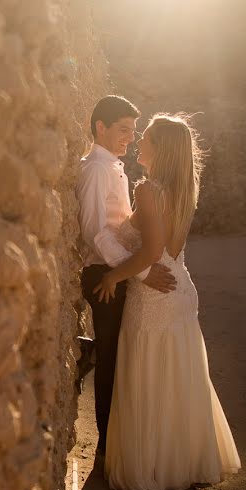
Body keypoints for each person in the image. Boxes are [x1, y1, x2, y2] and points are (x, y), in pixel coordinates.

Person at [93, 113, 241, 490]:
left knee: (148, 372)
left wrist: (113, 276)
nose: (139, 141)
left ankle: (152, 465)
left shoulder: (149, 190)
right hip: (179, 290)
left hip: (154, 294)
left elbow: (151, 252)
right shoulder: (180, 190)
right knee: (175, 374)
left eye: (147, 138)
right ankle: (179, 461)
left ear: (160, 149)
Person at [77, 95, 176, 457]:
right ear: (100, 127)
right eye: (123, 129)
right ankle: (107, 449)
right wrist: (140, 271)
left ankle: (116, 441)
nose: (130, 138)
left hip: (116, 271)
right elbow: (96, 233)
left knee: (119, 356)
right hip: (104, 273)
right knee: (112, 360)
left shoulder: (113, 166)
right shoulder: (96, 170)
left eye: (134, 131)